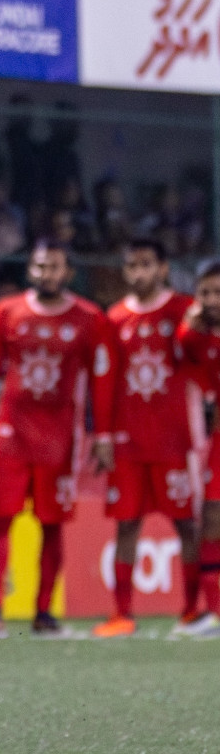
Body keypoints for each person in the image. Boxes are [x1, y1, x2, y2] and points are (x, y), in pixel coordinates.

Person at [0, 239, 114, 637]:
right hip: (11, 435)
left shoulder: (88, 318)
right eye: (41, 266)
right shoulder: (8, 312)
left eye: (55, 267)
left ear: (69, 273)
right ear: (31, 270)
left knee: (52, 524)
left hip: (61, 440)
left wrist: (105, 434)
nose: (47, 274)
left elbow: (102, 381)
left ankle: (43, 613)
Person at [90, 239, 199, 637]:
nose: (139, 273)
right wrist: (102, 434)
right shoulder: (114, 318)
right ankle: (121, 614)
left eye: (146, 265)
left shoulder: (185, 311)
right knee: (126, 526)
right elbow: (104, 381)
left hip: (174, 440)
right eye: (132, 265)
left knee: (186, 524)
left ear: (163, 268)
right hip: (127, 443)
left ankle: (192, 610)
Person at [175, 260, 220, 637]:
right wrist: (190, 330)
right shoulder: (203, 341)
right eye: (205, 292)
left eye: (218, 292)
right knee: (210, 522)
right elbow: (192, 364)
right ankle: (215, 614)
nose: (212, 300)